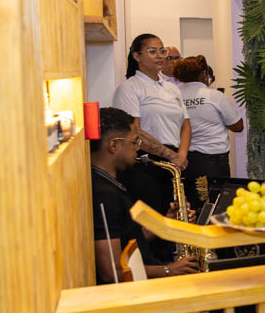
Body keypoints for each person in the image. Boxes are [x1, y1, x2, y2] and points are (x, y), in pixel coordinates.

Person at [90, 107, 198, 283]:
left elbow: (130, 239)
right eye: (134, 142)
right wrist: (168, 270)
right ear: (114, 145)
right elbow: (112, 272)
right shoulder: (103, 195)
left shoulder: (110, 184)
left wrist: (166, 223)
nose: (138, 148)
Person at [112, 33, 191, 216]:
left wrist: (181, 155)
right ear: (136, 56)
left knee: (176, 217)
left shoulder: (172, 88)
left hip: (175, 163)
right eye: (152, 51)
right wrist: (171, 156)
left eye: (162, 51)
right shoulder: (130, 88)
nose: (159, 56)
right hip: (145, 164)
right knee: (153, 221)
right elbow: (134, 131)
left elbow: (186, 125)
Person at [173, 55, 243, 208]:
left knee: (190, 207)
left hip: (184, 160)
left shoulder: (174, 96)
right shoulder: (214, 96)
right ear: (204, 74)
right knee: (215, 207)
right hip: (214, 163)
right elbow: (238, 126)